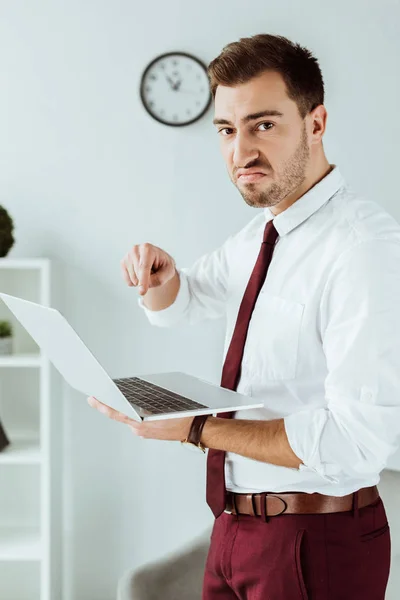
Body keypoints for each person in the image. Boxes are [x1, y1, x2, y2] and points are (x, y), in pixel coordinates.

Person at [88, 33, 400, 599]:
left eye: (263, 125)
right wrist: (159, 276)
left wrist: (198, 430)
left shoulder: (363, 249)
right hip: (236, 529)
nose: (240, 153)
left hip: (314, 541)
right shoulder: (263, 233)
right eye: (227, 131)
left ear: (316, 122)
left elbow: (356, 442)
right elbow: (183, 302)